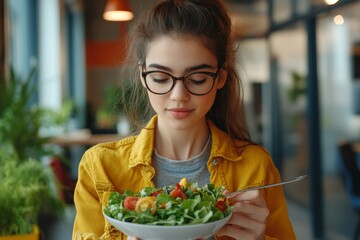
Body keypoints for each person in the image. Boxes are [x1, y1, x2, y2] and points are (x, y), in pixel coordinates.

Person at [72, 0, 296, 239]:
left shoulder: (255, 167)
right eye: (160, 77)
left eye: (197, 78)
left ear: (220, 77)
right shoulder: (101, 167)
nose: (179, 96)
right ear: (142, 75)